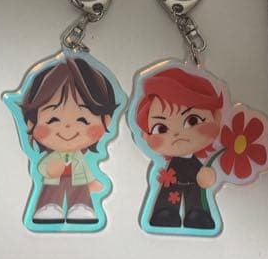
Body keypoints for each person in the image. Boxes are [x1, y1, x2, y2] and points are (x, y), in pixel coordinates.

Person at [18, 57, 119, 224]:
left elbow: (85, 170)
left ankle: (81, 206)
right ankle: (48, 206)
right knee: (51, 189)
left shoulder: (79, 157)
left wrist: (92, 182)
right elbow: (43, 168)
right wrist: (52, 168)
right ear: (30, 123)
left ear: (106, 121)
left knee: (80, 189)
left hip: (78, 179)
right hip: (53, 178)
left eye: (82, 120)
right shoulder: (52, 157)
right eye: (53, 120)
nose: (67, 127)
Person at [135, 67, 224, 230]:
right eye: (161, 128)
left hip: (192, 177)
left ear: (217, 118)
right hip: (173, 176)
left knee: (195, 193)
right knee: (169, 192)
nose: (176, 134)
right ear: (146, 136)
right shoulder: (171, 163)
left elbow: (203, 178)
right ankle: (165, 211)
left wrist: (206, 175)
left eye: (192, 120)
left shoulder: (195, 160)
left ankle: (197, 213)